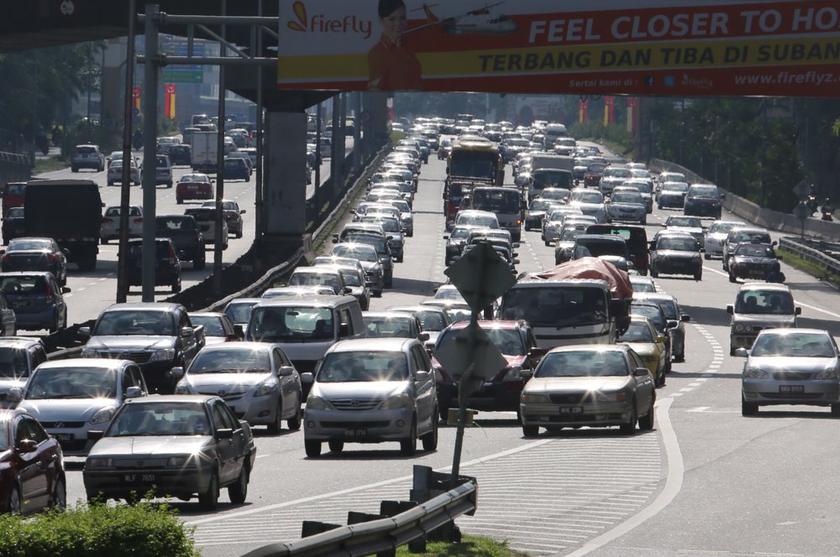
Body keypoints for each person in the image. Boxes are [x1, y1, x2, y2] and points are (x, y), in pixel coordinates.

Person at [367, 0, 422, 91]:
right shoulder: (377, 53)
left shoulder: (407, 49)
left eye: (402, 18)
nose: (398, 23)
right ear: (381, 20)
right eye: (392, 19)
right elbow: (374, 92)